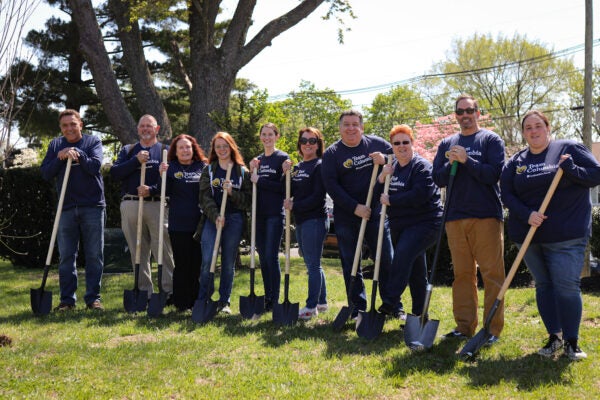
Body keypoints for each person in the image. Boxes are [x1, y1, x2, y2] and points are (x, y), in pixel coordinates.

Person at [500, 110, 600, 360]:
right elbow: (507, 194)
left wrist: (572, 168)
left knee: (566, 286)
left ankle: (571, 341)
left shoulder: (569, 149)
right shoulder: (516, 161)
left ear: (548, 127)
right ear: (524, 133)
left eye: (538, 126)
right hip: (529, 234)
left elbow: (595, 176)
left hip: (566, 234)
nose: (533, 131)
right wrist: (527, 214)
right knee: (544, 286)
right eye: (528, 128)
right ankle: (554, 337)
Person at [432, 94, 505, 345]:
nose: (465, 115)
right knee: (462, 275)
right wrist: (450, 162)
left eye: (469, 111)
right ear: (456, 115)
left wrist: (467, 160)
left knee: (492, 274)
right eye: (460, 112)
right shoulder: (446, 143)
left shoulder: (490, 140)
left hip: (485, 216)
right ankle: (464, 327)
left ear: (478, 112)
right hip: (454, 218)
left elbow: (493, 174)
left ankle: (492, 330)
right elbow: (438, 178)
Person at [321, 109, 398, 319]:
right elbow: (331, 186)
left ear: (362, 127)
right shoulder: (332, 154)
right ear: (340, 128)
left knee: (385, 259)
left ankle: (393, 305)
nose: (351, 128)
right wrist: (355, 207)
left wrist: (386, 159)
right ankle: (357, 307)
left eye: (355, 124)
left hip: (377, 213)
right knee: (350, 261)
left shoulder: (378, 144)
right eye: (346, 124)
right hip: (347, 215)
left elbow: (400, 158)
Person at [40, 109, 105, 311]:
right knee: (67, 255)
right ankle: (67, 300)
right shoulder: (55, 145)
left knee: (94, 255)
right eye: (65, 125)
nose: (69, 128)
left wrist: (78, 155)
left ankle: (93, 299)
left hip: (92, 206)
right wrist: (59, 158)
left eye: (72, 124)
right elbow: (45, 173)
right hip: (66, 208)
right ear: (61, 128)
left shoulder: (92, 142)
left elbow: (95, 166)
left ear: (80, 124)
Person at [375, 125, 442, 318]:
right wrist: (381, 178)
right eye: (397, 143)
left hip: (426, 223)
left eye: (406, 142)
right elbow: (378, 196)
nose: (401, 146)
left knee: (402, 255)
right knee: (416, 271)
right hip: (400, 225)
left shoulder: (422, 166)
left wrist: (393, 200)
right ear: (392, 146)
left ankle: (389, 301)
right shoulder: (391, 167)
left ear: (412, 143)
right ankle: (420, 315)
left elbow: (420, 195)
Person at [110, 114, 175, 300]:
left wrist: (152, 190)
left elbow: (171, 181)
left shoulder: (166, 150)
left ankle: (168, 291)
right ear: (138, 129)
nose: (146, 129)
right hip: (131, 204)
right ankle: (144, 292)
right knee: (138, 249)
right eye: (142, 126)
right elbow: (115, 173)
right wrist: (135, 161)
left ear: (157, 129)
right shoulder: (128, 150)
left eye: (149, 126)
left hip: (157, 205)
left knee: (163, 248)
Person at [196, 131, 251, 314]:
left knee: (228, 262)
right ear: (214, 149)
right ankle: (204, 298)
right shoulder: (209, 171)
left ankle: (224, 301)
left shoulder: (242, 172)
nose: (221, 149)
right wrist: (215, 216)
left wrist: (232, 193)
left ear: (231, 147)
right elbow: (204, 198)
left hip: (234, 219)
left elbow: (248, 201)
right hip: (213, 219)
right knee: (207, 260)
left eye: (225, 146)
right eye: (218, 146)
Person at [282, 127, 329, 320]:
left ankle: (311, 307)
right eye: (304, 141)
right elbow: (289, 189)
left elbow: (318, 197)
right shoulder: (299, 167)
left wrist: (295, 205)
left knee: (313, 264)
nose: (307, 144)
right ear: (299, 144)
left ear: (318, 144)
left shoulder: (320, 165)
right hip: (301, 220)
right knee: (312, 264)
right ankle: (322, 302)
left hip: (315, 220)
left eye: (312, 141)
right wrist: (285, 173)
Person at [159, 134, 208, 311]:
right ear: (176, 151)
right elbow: (162, 192)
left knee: (196, 263)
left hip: (200, 223)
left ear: (193, 148)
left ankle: (196, 300)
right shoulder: (170, 167)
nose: (185, 150)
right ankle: (181, 302)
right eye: (181, 148)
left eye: (188, 147)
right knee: (181, 263)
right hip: (178, 223)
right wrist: (161, 175)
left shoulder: (203, 166)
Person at [249, 123, 289, 312]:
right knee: (262, 257)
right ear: (260, 137)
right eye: (263, 135)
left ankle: (275, 297)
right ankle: (268, 296)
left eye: (270, 134)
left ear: (277, 136)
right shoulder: (257, 161)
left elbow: (282, 188)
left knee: (271, 256)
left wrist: (260, 180)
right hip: (259, 214)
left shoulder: (282, 158)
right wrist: (252, 171)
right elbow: (252, 187)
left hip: (274, 214)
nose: (267, 138)